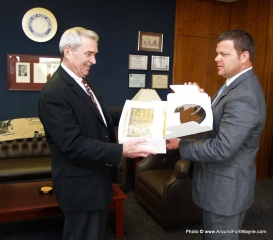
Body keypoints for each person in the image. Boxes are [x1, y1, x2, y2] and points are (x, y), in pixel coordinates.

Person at [38, 27, 156, 240]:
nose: (94, 60)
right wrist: (121, 150)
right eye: (88, 54)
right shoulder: (54, 93)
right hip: (80, 188)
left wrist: (141, 113)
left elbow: (101, 114)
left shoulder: (80, 81)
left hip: (94, 181)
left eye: (94, 54)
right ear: (68, 51)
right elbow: (72, 145)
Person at [166, 30, 266, 240]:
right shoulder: (234, 85)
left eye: (224, 54)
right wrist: (200, 99)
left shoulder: (245, 95)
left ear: (244, 56)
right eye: (217, 53)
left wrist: (182, 145)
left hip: (226, 193)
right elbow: (221, 122)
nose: (216, 58)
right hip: (217, 186)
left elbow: (223, 148)